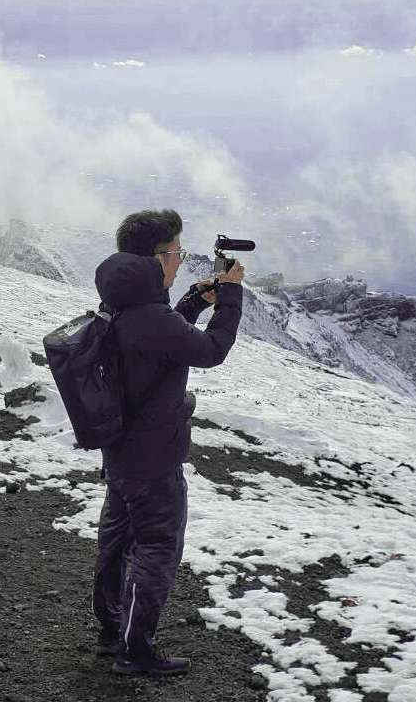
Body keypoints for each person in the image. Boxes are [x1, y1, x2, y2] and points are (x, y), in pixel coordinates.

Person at [91, 208, 244, 677]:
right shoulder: (149, 315)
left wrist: (194, 302)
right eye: (176, 253)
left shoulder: (123, 301)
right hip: (153, 459)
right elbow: (210, 351)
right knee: (157, 548)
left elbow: (159, 340)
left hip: (121, 450)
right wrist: (231, 295)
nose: (180, 261)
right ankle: (135, 652)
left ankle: (112, 629)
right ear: (157, 259)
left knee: (117, 540)